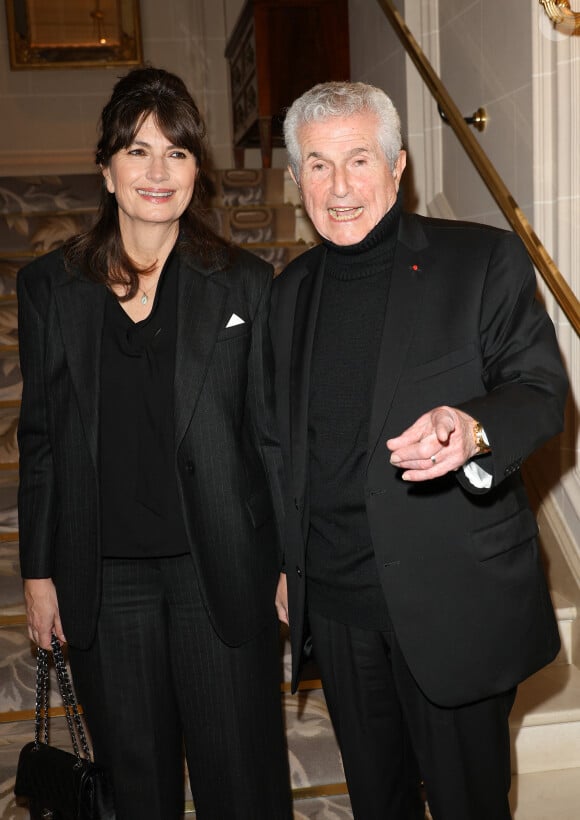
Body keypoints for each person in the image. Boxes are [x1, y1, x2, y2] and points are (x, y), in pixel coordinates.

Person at [270, 81, 569, 820]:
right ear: (296, 176)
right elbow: (277, 440)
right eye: (317, 165)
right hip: (338, 605)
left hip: (451, 600)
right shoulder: (289, 291)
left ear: (399, 166)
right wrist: (283, 558)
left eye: (358, 160)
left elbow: (540, 393)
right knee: (378, 802)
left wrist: (472, 428)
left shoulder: (481, 261)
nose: (339, 187)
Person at [17, 66, 292, 820]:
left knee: (242, 771)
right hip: (106, 574)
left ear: (196, 171)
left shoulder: (243, 284)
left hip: (223, 568)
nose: (157, 171)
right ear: (107, 170)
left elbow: (269, 436)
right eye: (138, 151)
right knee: (134, 781)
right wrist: (38, 574)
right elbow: (38, 438)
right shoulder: (51, 287)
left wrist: (286, 560)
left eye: (176, 153)